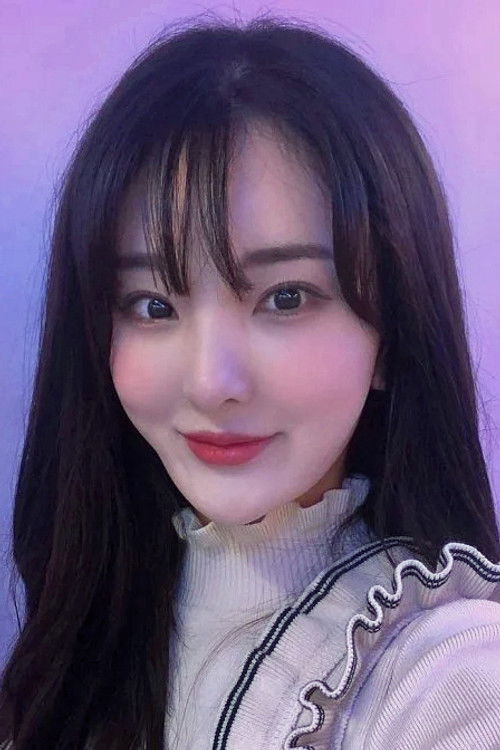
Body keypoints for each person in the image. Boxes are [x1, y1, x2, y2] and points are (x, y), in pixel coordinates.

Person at [1, 13, 499, 750]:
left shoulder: (450, 680)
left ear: (393, 331)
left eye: (286, 298)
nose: (212, 383)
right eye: (153, 305)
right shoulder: (86, 639)